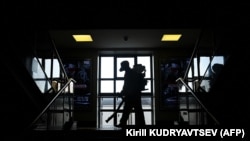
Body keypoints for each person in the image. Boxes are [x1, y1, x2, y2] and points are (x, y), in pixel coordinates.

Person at [116, 60, 146, 127]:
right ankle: (142, 125)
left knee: (127, 110)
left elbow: (127, 85)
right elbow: (127, 85)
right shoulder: (131, 72)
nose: (122, 68)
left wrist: (122, 92)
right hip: (136, 95)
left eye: (122, 66)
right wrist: (123, 92)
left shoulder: (129, 73)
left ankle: (122, 123)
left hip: (131, 96)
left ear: (125, 66)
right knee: (138, 111)